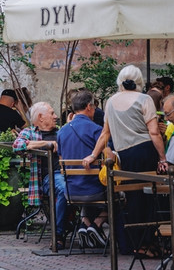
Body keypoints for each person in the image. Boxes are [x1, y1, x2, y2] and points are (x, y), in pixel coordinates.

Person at [83, 65, 167, 256]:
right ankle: (148, 242)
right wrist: (163, 158)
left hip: (126, 154)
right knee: (150, 197)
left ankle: (137, 243)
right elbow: (153, 132)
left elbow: (105, 133)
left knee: (133, 198)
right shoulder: (145, 99)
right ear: (139, 81)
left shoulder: (111, 102)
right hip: (146, 151)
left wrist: (93, 155)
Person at [13, 102, 67, 249]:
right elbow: (18, 146)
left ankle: (89, 226)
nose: (56, 116)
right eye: (52, 113)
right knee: (64, 189)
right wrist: (45, 144)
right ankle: (59, 235)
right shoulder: (29, 132)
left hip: (71, 173)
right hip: (50, 176)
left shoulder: (62, 131)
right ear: (41, 117)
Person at [57, 90, 107, 248]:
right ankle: (96, 224)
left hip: (71, 192)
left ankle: (85, 223)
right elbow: (109, 157)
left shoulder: (62, 131)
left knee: (84, 185)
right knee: (120, 196)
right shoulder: (96, 130)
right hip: (95, 191)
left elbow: (60, 159)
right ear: (89, 107)